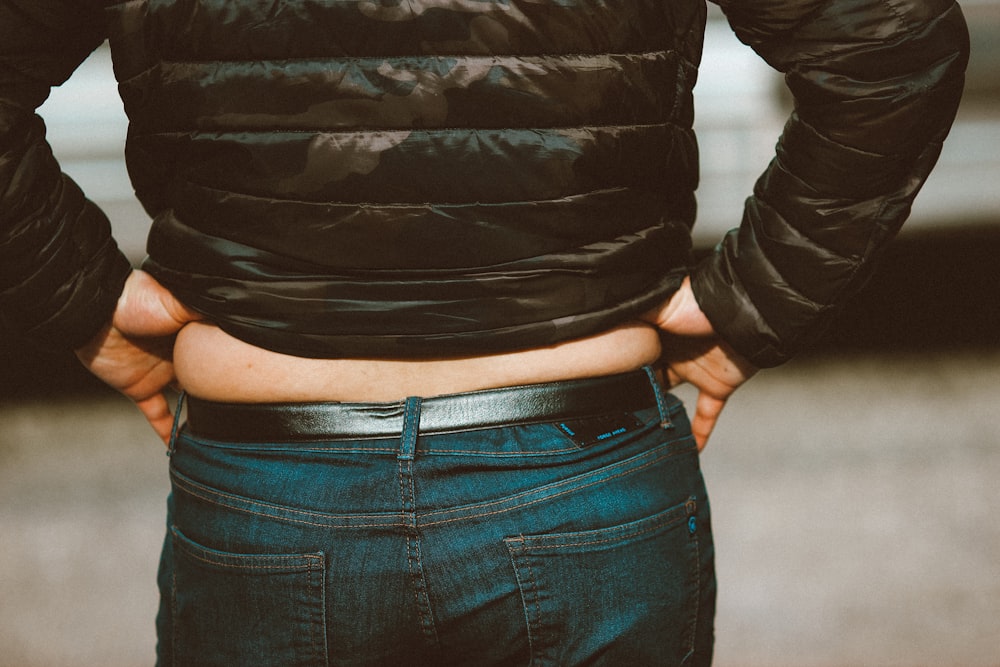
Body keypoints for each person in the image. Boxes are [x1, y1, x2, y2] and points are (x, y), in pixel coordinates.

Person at [0, 0, 967, 664]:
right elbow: (892, 52)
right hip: (580, 478)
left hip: (271, 484)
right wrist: (746, 307)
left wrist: (88, 303)